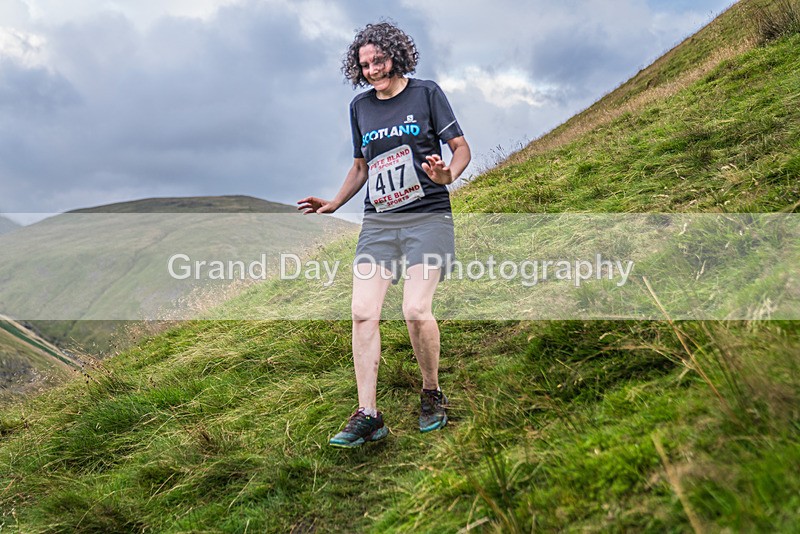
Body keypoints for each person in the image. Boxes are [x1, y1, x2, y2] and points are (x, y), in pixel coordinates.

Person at [297, 21, 471, 448]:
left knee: (415, 310)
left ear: (396, 54)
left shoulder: (426, 93)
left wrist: (449, 174)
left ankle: (431, 393)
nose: (372, 70)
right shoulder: (360, 107)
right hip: (378, 224)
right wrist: (335, 204)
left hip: (427, 217)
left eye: (379, 60)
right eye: (364, 64)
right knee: (361, 312)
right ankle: (369, 415)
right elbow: (361, 167)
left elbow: (461, 148)